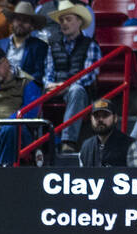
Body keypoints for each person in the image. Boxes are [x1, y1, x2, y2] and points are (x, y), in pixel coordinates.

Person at [41, 0, 101, 152]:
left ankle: (68, 142)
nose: (64, 23)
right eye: (61, 20)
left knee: (76, 90)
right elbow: (48, 73)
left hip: (78, 91)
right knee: (34, 90)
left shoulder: (90, 44)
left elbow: (89, 76)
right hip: (55, 89)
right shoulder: (53, 45)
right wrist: (49, 84)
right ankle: (35, 142)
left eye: (68, 19)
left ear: (79, 21)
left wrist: (64, 86)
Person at [78, 99, 137, 167]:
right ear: (91, 119)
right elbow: (81, 175)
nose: (100, 119)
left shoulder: (131, 145)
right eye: (96, 116)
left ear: (115, 118)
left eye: (105, 115)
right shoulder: (85, 147)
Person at [0, 1, 48, 85]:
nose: (20, 23)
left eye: (25, 20)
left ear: (32, 25)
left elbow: (39, 75)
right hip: (0, 87)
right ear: (12, 21)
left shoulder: (39, 46)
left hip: (24, 89)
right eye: (18, 19)